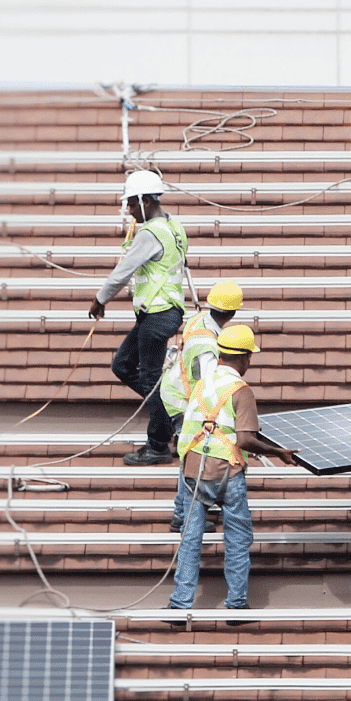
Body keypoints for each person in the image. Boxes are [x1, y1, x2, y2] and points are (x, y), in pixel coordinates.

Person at [167, 325, 298, 622]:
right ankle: (236, 605)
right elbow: (246, 440)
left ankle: (180, 605)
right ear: (243, 358)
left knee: (190, 541)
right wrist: (280, 453)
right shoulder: (242, 390)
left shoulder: (201, 386)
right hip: (228, 474)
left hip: (193, 473)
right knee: (238, 540)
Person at [88, 169, 188, 466]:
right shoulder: (174, 226)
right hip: (161, 313)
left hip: (158, 314)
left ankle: (158, 445)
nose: (130, 211)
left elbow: (123, 271)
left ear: (146, 200)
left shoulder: (149, 233)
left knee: (150, 379)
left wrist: (100, 299)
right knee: (123, 365)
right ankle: (173, 414)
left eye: (132, 204)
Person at [160, 280, 244, 533]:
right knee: (190, 453)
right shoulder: (208, 347)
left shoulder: (199, 320)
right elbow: (210, 386)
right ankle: (182, 514)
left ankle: (185, 510)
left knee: (190, 452)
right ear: (232, 313)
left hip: (176, 390)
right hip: (183, 400)